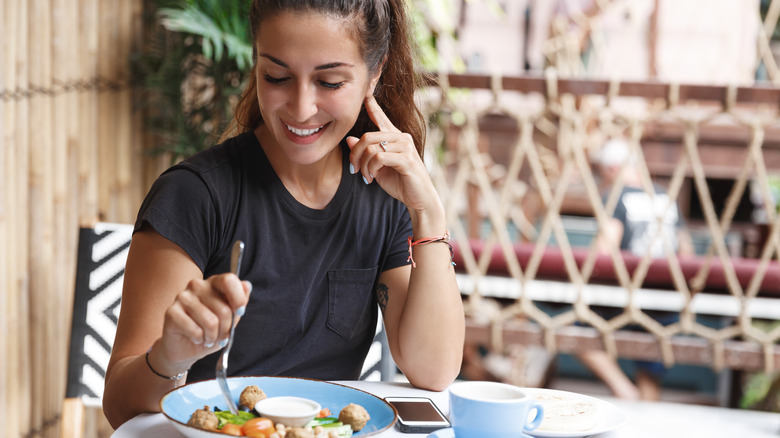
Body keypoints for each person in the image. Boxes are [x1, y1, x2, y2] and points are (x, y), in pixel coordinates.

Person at [103, 0, 465, 428]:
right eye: (277, 76)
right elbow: (121, 406)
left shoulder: (381, 194)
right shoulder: (195, 195)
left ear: (376, 72)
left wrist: (428, 212)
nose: (301, 107)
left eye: (329, 82)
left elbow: (433, 370)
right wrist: (170, 355)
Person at [578, 138, 693, 401]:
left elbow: (604, 251)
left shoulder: (617, 196)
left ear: (612, 169)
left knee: (577, 333)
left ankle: (623, 391)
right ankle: (645, 416)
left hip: (627, 296)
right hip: (665, 299)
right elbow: (686, 252)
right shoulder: (665, 196)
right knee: (650, 372)